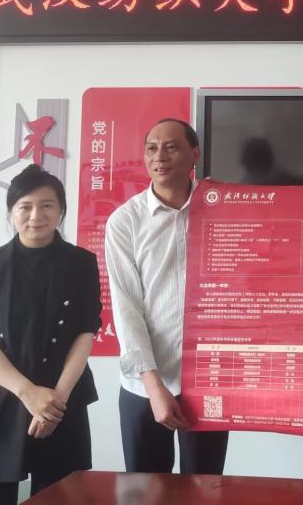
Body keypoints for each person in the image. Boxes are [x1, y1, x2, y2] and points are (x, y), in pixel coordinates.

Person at [0, 165, 101, 505]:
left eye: (47, 205)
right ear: (12, 211)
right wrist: (28, 393)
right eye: (25, 206)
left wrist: (54, 403)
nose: (36, 215)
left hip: (60, 398)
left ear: (61, 210)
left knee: (58, 498)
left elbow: (85, 331)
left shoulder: (82, 263)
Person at [104, 118, 228, 474]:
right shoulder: (125, 222)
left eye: (171, 147)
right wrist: (152, 385)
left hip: (207, 381)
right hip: (144, 386)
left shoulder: (224, 208)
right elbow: (126, 309)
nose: (159, 156)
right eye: (151, 148)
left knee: (205, 488)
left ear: (194, 154)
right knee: (145, 490)